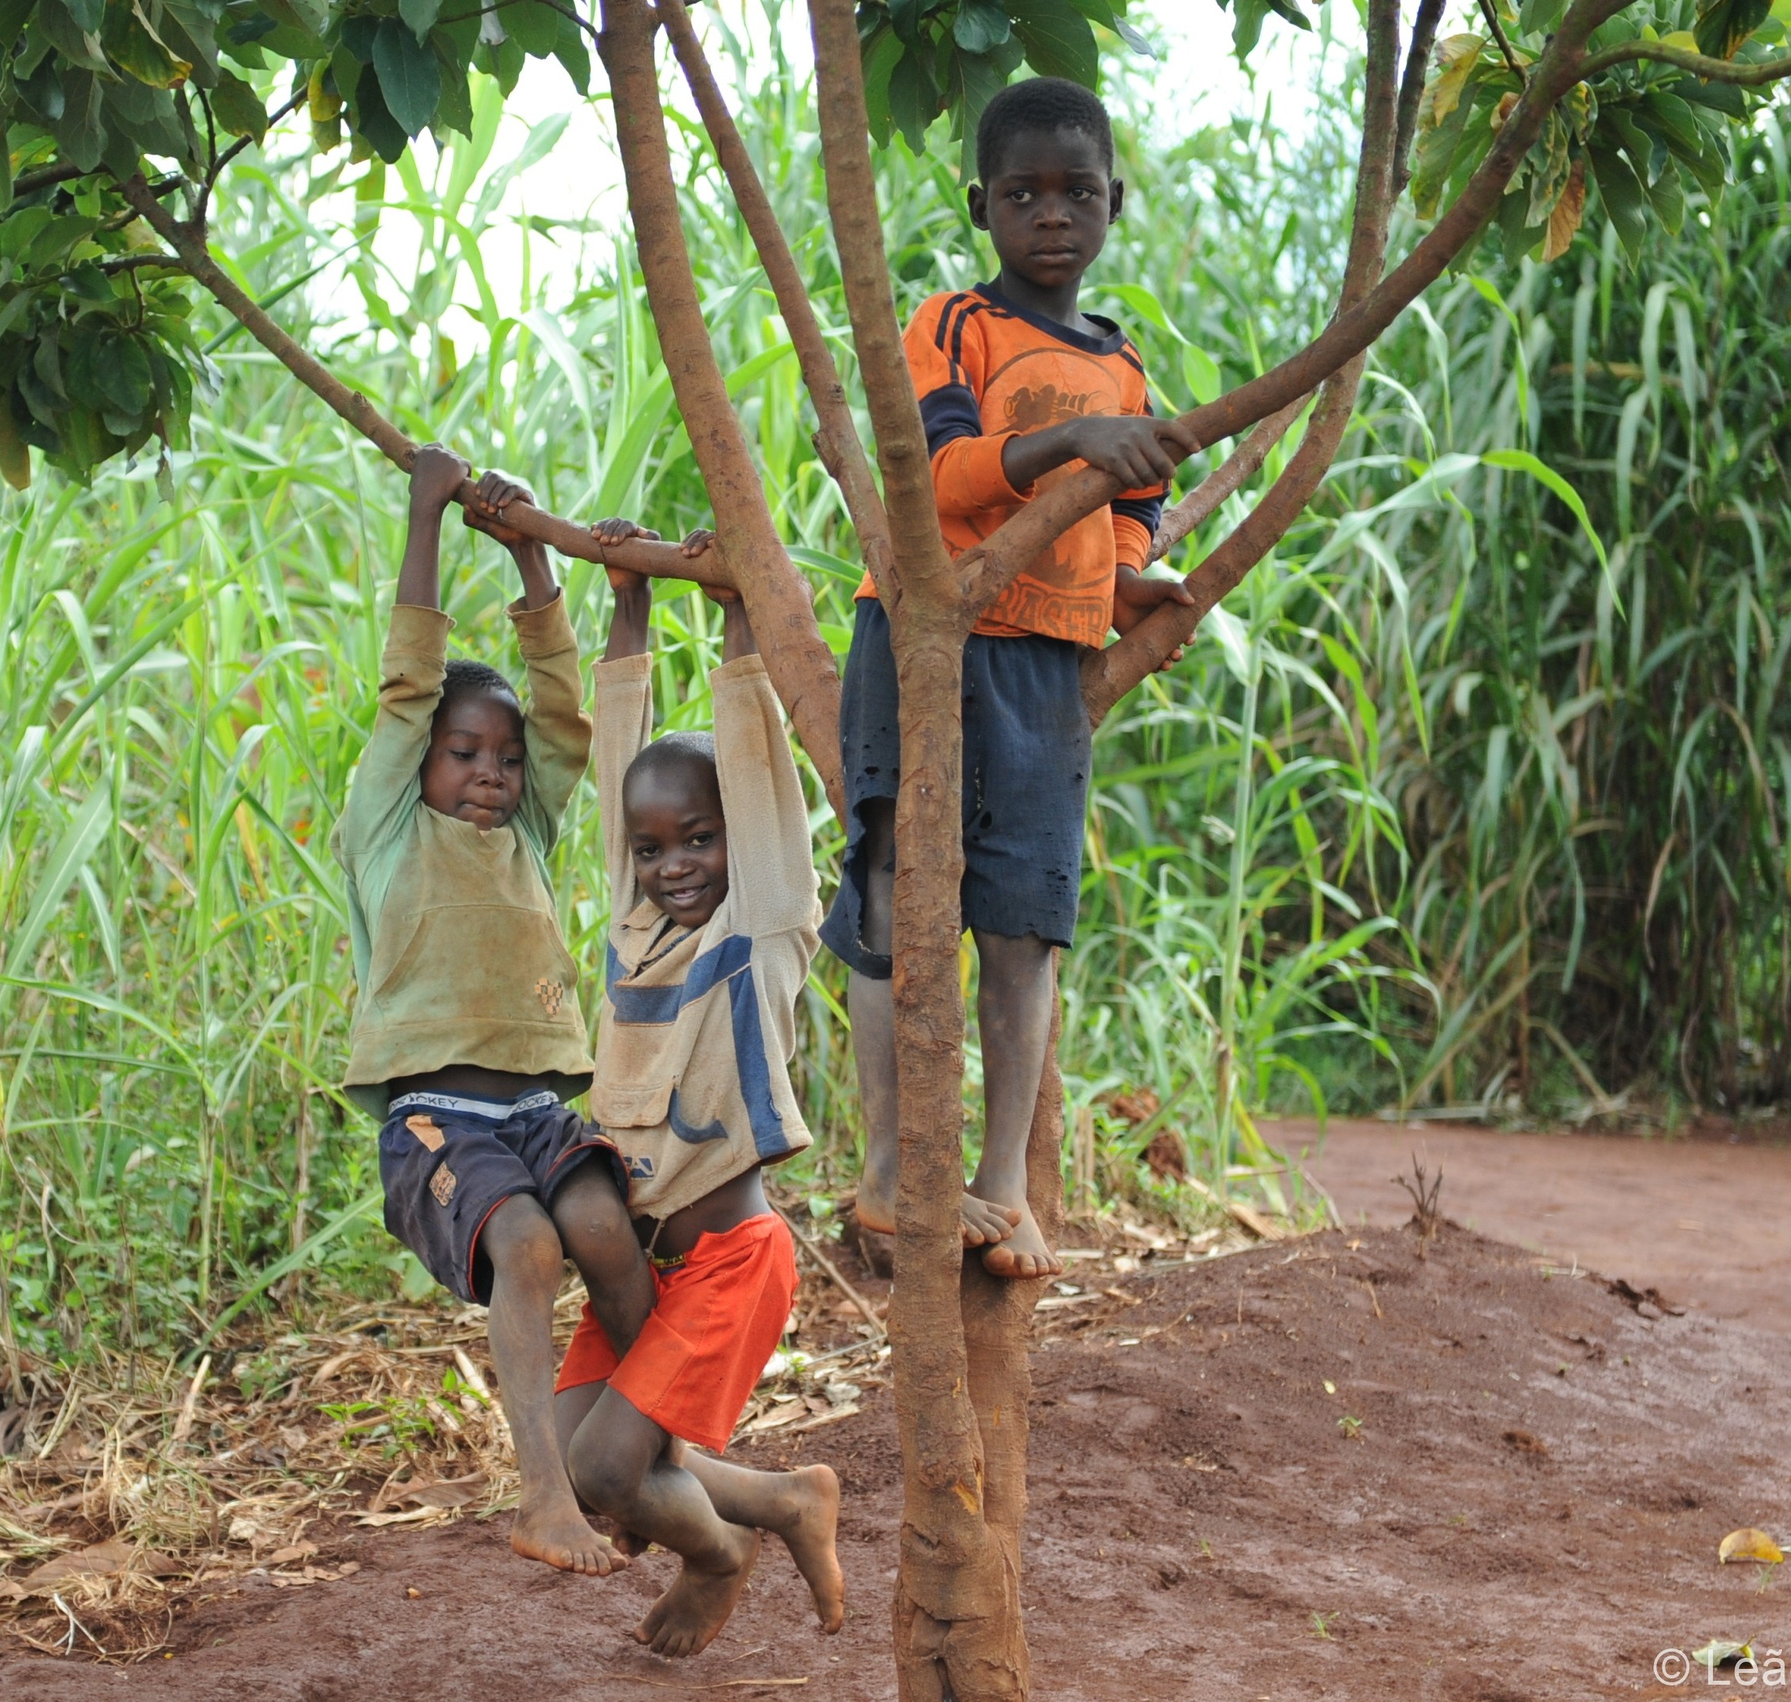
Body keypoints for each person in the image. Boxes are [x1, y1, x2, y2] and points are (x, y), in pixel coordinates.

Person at [825, 77, 1199, 1280]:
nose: (1052, 214)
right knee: (894, 877)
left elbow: (1134, 502)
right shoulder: (955, 325)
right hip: (927, 641)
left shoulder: (1124, 368)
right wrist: (1067, 445)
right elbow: (936, 481)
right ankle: (887, 1168)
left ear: (1113, 206)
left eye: (1077, 192)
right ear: (982, 203)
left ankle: (1001, 1186)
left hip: (1046, 662)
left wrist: (1129, 571)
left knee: (1026, 918)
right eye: (1025, 193)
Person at [333, 443, 652, 1580]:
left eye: (503, 760)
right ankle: (542, 1491)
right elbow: (409, 680)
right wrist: (427, 515)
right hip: (434, 1117)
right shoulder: (386, 827)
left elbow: (567, 726)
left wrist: (537, 570)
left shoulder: (526, 829)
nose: (490, 774)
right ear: (417, 759)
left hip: (535, 1107)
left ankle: (635, 1444)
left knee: (611, 1238)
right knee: (523, 1244)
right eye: (464, 753)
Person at [551, 554, 847, 1658]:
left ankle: (725, 1549)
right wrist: (627, 615)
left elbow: (762, 783)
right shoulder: (636, 933)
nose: (674, 866)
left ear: (743, 844)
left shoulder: (758, 932)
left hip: (726, 1257)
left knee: (608, 1468)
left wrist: (739, 633)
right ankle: (782, 1498)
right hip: (641, 1265)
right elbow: (620, 786)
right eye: (655, 849)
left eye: (701, 839)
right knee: (583, 1465)